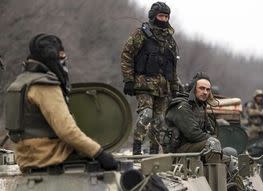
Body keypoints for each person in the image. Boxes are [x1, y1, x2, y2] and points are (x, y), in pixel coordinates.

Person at [4, 34, 117, 172]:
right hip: (51, 157)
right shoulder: (45, 85)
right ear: (52, 57)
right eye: (61, 56)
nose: (64, 61)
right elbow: (67, 131)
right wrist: (100, 154)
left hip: (27, 160)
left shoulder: (19, 84)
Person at [121, 2, 179, 155]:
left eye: (166, 16)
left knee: (159, 121)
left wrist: (174, 87)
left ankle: (154, 151)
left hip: (162, 87)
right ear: (153, 16)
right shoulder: (141, 34)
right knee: (146, 114)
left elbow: (172, 66)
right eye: (161, 15)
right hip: (143, 84)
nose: (164, 19)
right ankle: (137, 148)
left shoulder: (169, 40)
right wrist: (128, 80)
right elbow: (127, 55)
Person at [165, 72, 221, 160]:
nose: (205, 92)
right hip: (177, 152)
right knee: (212, 144)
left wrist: (212, 138)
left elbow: (211, 131)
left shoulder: (200, 106)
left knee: (230, 157)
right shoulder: (182, 106)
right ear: (193, 89)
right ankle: (212, 173)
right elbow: (193, 133)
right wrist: (212, 139)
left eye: (207, 89)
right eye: (202, 88)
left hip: (194, 147)